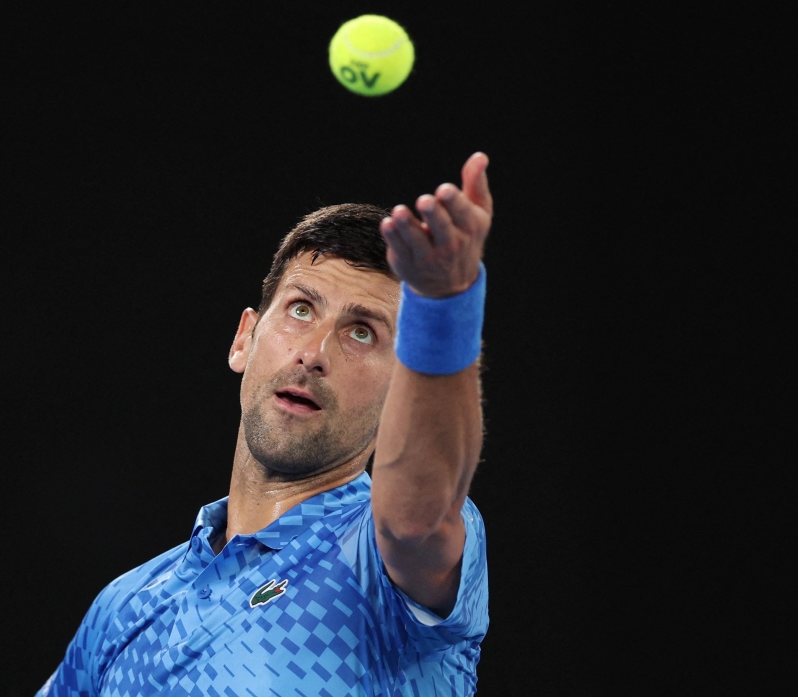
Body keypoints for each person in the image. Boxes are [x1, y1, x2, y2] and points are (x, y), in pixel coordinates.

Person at [38, 152, 494, 696]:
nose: (314, 353)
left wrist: (446, 307)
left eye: (362, 332)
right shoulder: (124, 607)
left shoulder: (375, 555)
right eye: (301, 309)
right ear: (243, 339)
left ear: (403, 393)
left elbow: (414, 522)